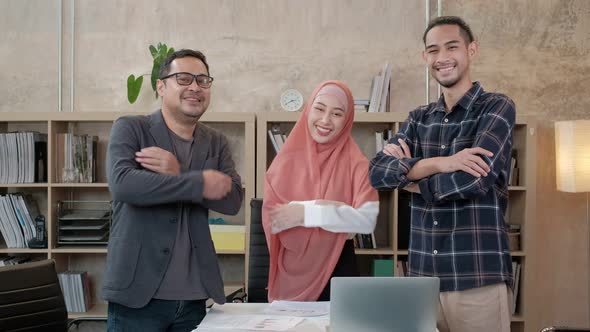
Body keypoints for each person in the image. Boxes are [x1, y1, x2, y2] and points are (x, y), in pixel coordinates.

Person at [369, 16, 515, 332]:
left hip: (476, 279)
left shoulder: (496, 108)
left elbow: (475, 179)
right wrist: (443, 163)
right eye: (433, 50)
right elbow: (378, 172)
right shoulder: (418, 119)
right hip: (422, 282)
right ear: (426, 58)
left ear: (471, 50)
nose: (442, 57)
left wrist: (410, 178)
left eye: (452, 47)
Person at [102, 49, 244, 331]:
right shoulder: (131, 128)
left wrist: (179, 171)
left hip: (195, 300)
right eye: (183, 78)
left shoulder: (216, 142)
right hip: (138, 297)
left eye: (203, 80)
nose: (195, 87)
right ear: (161, 85)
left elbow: (232, 201)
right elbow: (125, 185)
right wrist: (200, 182)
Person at [262, 80, 379, 302]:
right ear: (308, 110)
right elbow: (275, 217)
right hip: (291, 272)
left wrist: (306, 212)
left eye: (337, 113)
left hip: (339, 269)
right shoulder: (285, 161)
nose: (325, 120)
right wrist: (338, 211)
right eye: (319, 108)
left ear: (347, 120)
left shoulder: (358, 164)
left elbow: (366, 220)